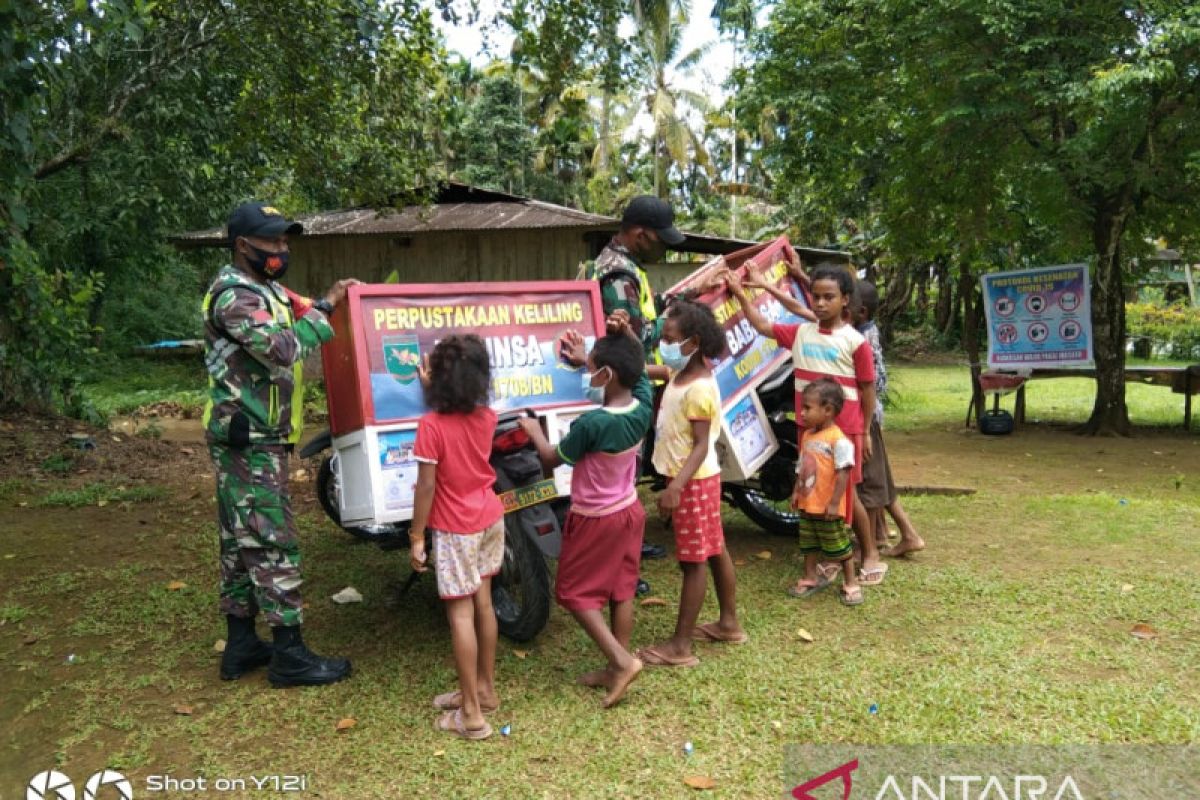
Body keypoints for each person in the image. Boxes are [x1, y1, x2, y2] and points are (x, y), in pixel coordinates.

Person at [203, 201, 357, 687]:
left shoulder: (263, 289)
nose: (282, 251)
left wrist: (331, 298)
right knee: (273, 542)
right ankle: (290, 655)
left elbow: (298, 307)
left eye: (286, 242)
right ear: (243, 246)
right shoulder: (233, 296)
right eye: (273, 243)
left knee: (239, 543)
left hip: (252, 434)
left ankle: (242, 643)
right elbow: (283, 346)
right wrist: (329, 308)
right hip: (249, 438)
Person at [518, 321, 653, 708]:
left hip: (595, 518)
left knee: (573, 593)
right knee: (621, 587)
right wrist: (601, 351)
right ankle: (616, 666)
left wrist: (534, 431)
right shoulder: (642, 404)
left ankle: (622, 661)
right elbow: (637, 370)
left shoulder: (591, 424)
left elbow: (550, 457)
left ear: (607, 375)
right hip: (629, 510)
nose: (587, 373)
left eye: (592, 368)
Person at [724, 265, 884, 588]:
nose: (821, 303)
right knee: (816, 487)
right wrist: (741, 294)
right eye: (817, 297)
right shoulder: (800, 333)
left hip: (846, 428)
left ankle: (870, 554)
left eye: (829, 297)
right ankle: (833, 555)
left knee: (847, 494)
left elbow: (867, 389)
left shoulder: (855, 342)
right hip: (809, 430)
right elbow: (761, 325)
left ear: (845, 301)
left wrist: (865, 431)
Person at [636, 300, 747, 667]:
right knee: (713, 549)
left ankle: (680, 646)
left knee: (693, 562)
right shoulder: (680, 373)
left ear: (694, 342)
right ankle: (728, 622)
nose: (663, 345)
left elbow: (701, 445)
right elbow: (656, 368)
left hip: (693, 481)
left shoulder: (698, 387)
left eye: (669, 339)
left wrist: (675, 488)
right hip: (696, 479)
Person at [409, 335, 505, 740]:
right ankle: (484, 690)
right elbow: (459, 421)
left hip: (455, 529)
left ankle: (471, 716)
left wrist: (416, 536)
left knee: (460, 615)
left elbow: (426, 488)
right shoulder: (487, 417)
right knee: (483, 604)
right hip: (489, 518)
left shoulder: (430, 427)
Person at [853, 281, 925, 558]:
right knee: (880, 478)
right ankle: (892, 534)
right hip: (869, 416)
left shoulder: (861, 338)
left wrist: (865, 426)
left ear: (860, 311)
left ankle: (879, 541)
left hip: (865, 417)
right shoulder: (865, 329)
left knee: (872, 482)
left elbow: (873, 383)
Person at [787, 380, 862, 605]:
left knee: (838, 545)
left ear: (828, 410)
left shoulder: (839, 440)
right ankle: (810, 577)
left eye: (808, 408)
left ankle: (851, 582)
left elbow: (843, 473)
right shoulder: (808, 436)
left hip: (827, 505)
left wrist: (834, 502)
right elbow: (802, 467)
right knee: (808, 542)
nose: (802, 413)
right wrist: (795, 492)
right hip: (808, 503)